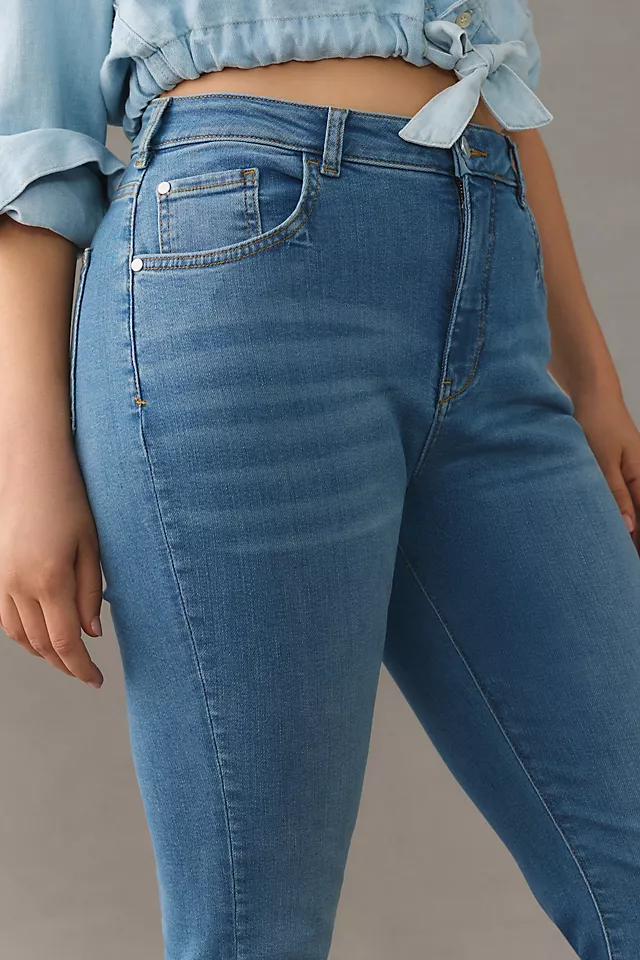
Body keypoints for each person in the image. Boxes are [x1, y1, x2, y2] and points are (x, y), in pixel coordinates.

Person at [1, 2, 640, 958]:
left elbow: (496, 75)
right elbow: (30, 132)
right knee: (257, 928)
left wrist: (589, 381)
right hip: (243, 260)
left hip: (492, 266)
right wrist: (26, 463)